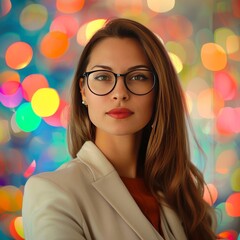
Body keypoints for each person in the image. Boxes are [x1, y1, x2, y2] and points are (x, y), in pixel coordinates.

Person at [22, 18, 217, 240]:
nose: (120, 93)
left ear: (159, 91)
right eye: (103, 77)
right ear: (83, 91)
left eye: (138, 77)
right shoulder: (53, 192)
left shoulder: (185, 199)